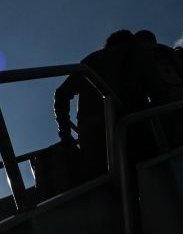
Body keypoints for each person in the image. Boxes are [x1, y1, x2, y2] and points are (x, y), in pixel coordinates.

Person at [52, 30, 146, 175]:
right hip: (129, 125)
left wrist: (65, 134)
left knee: (100, 182)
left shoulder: (91, 60)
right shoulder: (135, 54)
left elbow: (61, 94)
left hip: (90, 129)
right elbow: (155, 89)